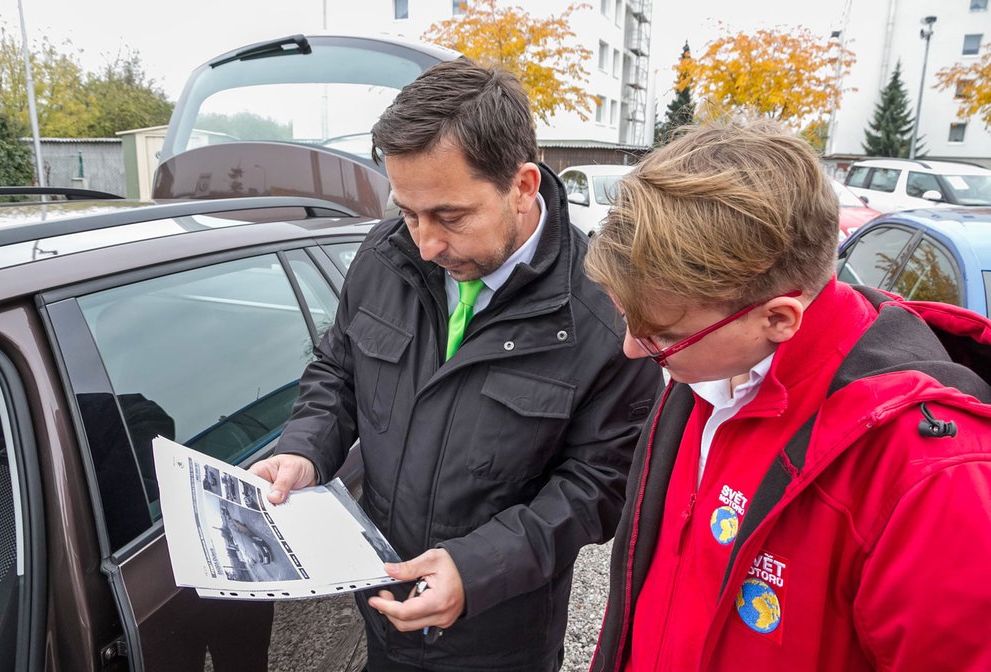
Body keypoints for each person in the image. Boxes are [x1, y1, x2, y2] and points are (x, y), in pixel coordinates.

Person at [250, 57, 664, 671]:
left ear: (522, 186)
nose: (424, 242)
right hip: (384, 608)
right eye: (408, 212)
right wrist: (306, 448)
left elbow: (601, 482)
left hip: (498, 636)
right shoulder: (385, 258)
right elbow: (338, 368)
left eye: (449, 216)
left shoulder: (605, 312)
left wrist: (478, 569)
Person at [584, 118, 991, 672]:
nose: (633, 349)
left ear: (777, 317)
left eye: (662, 334)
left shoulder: (926, 473)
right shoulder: (709, 370)